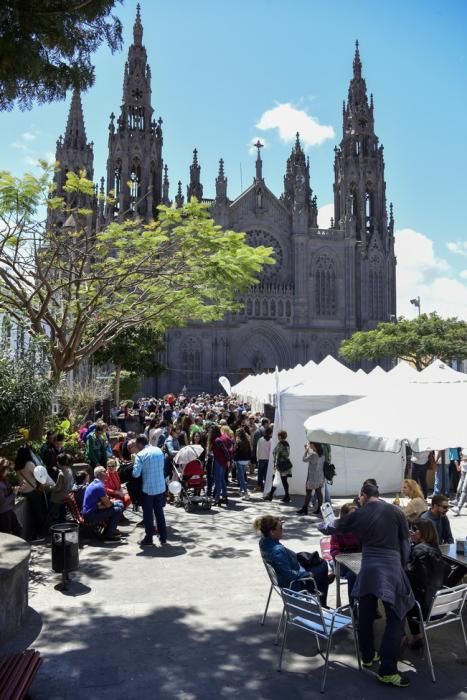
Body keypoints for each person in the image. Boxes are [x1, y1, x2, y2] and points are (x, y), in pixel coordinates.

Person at [320, 481, 414, 688]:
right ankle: (388, 670)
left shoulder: (359, 513)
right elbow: (405, 543)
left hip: (368, 568)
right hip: (391, 568)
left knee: (366, 614)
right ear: (378, 494)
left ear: (362, 495)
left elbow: (328, 528)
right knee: (396, 618)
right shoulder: (396, 511)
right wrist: (403, 565)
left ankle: (368, 657)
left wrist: (322, 522)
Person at [254, 514, 328, 606]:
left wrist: (276, 522)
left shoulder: (264, 541)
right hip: (294, 584)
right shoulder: (277, 551)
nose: (282, 530)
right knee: (323, 566)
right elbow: (289, 574)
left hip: (285, 574)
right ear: (272, 532)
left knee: (317, 564)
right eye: (280, 528)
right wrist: (307, 574)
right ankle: (322, 602)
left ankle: (323, 584)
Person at [405, 518, 448, 648]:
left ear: (424, 532)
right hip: (442, 607)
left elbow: (415, 578)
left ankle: (404, 637)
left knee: (398, 597)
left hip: (423, 609)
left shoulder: (418, 550)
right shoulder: (435, 549)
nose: (411, 532)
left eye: (414, 529)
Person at [132, 434, 167, 547]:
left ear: (139, 444)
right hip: (160, 486)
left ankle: (148, 539)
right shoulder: (158, 450)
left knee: (148, 515)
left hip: (148, 488)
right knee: (159, 512)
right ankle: (163, 536)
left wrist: (134, 464)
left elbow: (136, 474)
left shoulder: (140, 455)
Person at [14, 445, 48, 539]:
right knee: (38, 513)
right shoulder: (29, 464)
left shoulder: (17, 465)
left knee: (31, 514)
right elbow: (38, 476)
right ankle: (40, 534)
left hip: (23, 491)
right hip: (33, 491)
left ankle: (33, 534)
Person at [81, 466, 123, 542]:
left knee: (119, 503)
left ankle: (109, 531)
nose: (107, 472)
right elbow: (108, 505)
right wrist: (109, 503)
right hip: (91, 515)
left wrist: (105, 504)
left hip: (90, 512)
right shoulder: (99, 486)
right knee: (118, 509)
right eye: (104, 471)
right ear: (100, 474)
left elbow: (104, 503)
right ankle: (108, 536)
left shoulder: (95, 483)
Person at [329, 502, 360, 603]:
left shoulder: (361, 528)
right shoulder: (338, 530)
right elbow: (334, 551)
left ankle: (370, 604)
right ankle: (353, 605)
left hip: (359, 560)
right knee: (353, 575)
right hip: (342, 563)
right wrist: (345, 559)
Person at [297, 442, 324, 515]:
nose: (310, 445)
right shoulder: (321, 454)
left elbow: (304, 459)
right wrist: (308, 450)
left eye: (311, 444)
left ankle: (305, 508)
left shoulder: (313, 455)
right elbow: (312, 458)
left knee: (308, 492)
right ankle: (319, 508)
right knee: (318, 492)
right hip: (319, 476)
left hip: (312, 477)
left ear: (314, 445)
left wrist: (306, 451)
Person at [265, 430, 292, 503]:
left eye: (278, 436)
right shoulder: (287, 444)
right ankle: (286, 496)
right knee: (283, 481)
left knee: (276, 479)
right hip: (285, 464)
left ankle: (270, 495)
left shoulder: (280, 444)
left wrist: (275, 463)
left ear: (280, 436)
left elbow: (275, 453)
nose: (277, 437)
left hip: (281, 464)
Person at [209, 425, 232, 506]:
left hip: (219, 462)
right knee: (221, 480)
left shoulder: (217, 440)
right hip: (221, 461)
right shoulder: (218, 439)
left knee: (218, 481)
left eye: (210, 431)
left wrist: (228, 460)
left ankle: (217, 498)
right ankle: (224, 497)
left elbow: (224, 450)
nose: (209, 433)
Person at [49, 453, 75, 522]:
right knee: (62, 510)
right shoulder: (69, 469)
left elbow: (57, 488)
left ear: (59, 462)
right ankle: (61, 519)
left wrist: (48, 487)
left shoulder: (61, 474)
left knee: (51, 500)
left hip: (61, 496)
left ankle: (56, 520)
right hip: (68, 493)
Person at [0, 458, 23, 537]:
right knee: (7, 535)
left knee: (18, 529)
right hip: (3, 514)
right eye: (7, 469)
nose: (8, 472)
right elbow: (2, 502)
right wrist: (13, 493)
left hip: (8, 510)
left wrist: (14, 489)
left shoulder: (3, 479)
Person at [234, 427, 251, 499]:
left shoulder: (238, 441)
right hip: (245, 460)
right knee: (243, 476)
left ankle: (246, 493)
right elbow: (250, 451)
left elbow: (236, 452)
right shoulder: (247, 441)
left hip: (239, 460)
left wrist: (234, 459)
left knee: (242, 477)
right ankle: (241, 490)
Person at [451, 447, 467, 516]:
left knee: (464, 490)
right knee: (459, 488)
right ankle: (457, 500)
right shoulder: (462, 461)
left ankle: (458, 508)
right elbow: (458, 469)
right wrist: (458, 464)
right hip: (463, 473)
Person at [256, 426, 272, 493]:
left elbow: (257, 449)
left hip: (261, 458)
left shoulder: (260, 439)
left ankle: (259, 486)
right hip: (268, 459)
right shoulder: (271, 441)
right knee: (266, 473)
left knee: (260, 473)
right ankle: (266, 486)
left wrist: (257, 458)